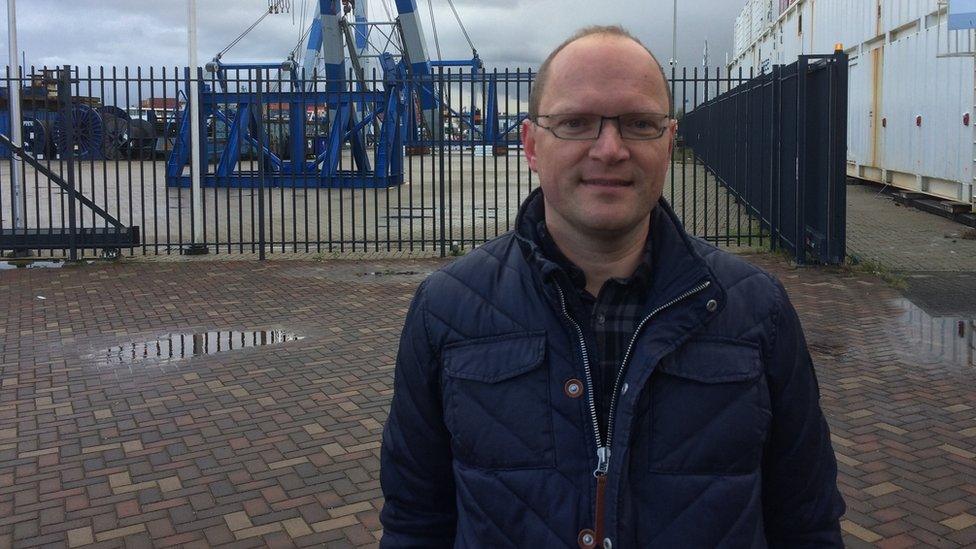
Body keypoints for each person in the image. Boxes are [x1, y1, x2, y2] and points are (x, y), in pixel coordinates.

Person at [380, 25, 845, 548]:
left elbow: (806, 522)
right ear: (531, 145)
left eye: (638, 124)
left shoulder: (756, 310)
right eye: (576, 123)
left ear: (669, 144)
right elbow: (415, 523)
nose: (610, 148)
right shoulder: (445, 310)